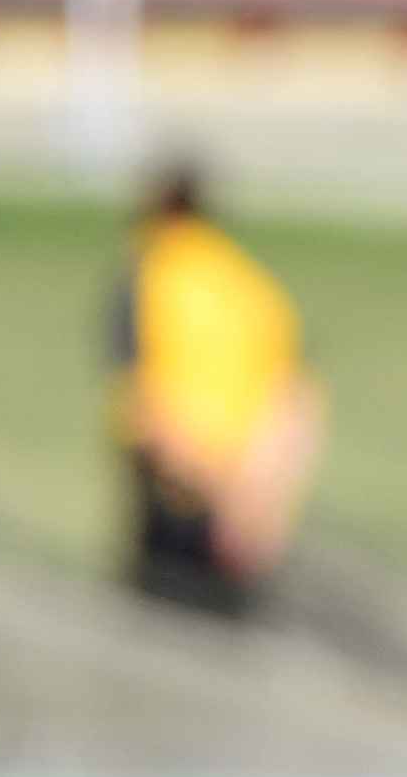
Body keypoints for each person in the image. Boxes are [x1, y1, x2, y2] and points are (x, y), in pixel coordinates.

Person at [106, 161, 327, 617]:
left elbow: (145, 401)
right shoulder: (252, 286)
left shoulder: (148, 275)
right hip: (247, 499)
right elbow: (296, 402)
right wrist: (262, 501)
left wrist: (210, 488)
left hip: (179, 493)